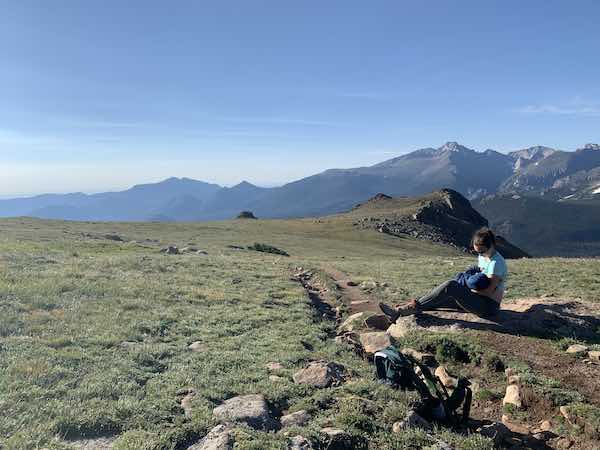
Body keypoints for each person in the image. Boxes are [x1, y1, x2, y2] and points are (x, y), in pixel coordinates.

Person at [379, 227, 508, 321]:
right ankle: (401, 310)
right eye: (477, 251)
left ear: (491, 245)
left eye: (481, 251)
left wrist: (465, 290)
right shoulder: (484, 257)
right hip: (476, 300)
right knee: (436, 298)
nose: (479, 254)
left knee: (450, 286)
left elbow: (488, 292)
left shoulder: (496, 263)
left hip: (487, 306)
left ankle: (404, 310)